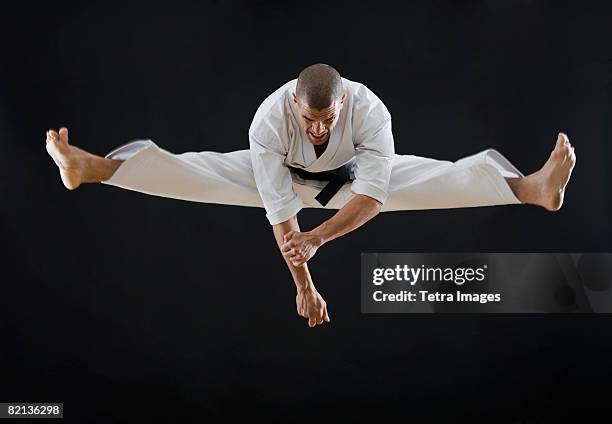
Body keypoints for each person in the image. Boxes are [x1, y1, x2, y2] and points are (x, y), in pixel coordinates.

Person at [45, 63, 576, 328]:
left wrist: (320, 236)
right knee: (199, 174)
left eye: (326, 120)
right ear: (293, 106)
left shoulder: (371, 112)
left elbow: (371, 196)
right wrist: (306, 286)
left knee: (423, 178)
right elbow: (282, 218)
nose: (318, 129)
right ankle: (91, 168)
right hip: (282, 175)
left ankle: (531, 188)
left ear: (343, 104)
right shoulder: (268, 123)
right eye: (310, 120)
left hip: (353, 179)